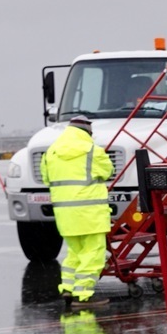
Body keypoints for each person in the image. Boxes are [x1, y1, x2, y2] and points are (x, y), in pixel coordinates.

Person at [40, 114, 114, 306]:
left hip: (65, 215)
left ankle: (68, 288)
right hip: (91, 214)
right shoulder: (92, 151)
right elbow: (108, 171)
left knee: (74, 252)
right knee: (93, 254)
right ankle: (84, 295)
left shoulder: (51, 153)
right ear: (87, 132)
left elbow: (46, 180)